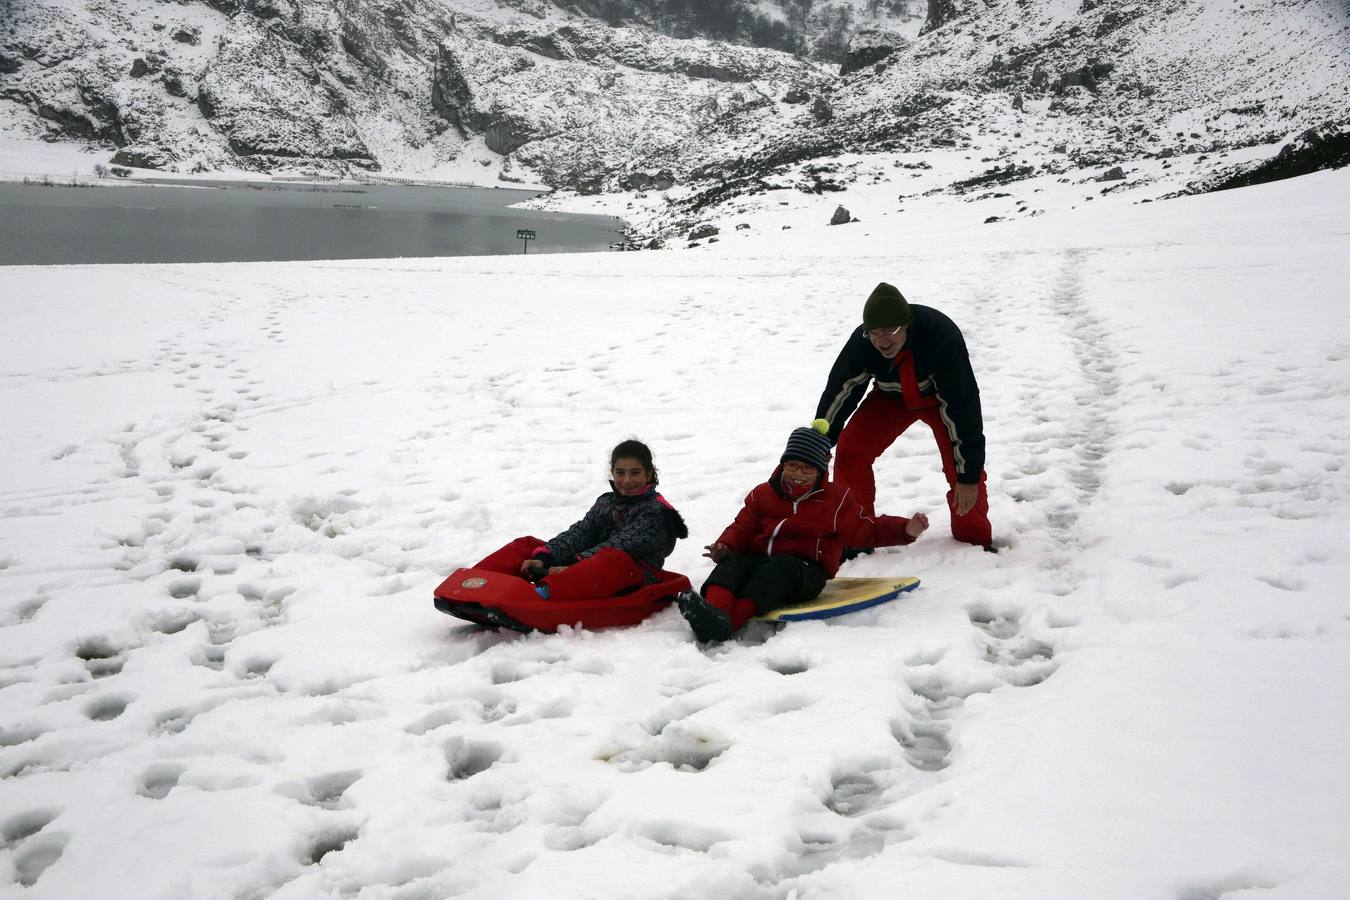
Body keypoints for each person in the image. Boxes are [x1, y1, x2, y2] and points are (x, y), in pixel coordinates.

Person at [676, 421, 928, 642]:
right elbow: (742, 526)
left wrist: (906, 529)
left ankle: (729, 625)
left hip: (805, 571)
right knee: (734, 564)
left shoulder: (836, 500)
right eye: (792, 466)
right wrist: (725, 546)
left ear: (820, 470)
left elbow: (865, 531)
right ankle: (714, 615)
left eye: (807, 469)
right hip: (760, 559)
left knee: (777, 570)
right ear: (783, 464)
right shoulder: (763, 494)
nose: (798, 474)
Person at [815, 282, 992, 548]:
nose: (882, 342)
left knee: (963, 471)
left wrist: (967, 478)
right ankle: (855, 535)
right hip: (890, 399)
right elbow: (841, 390)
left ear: (906, 325)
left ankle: (973, 543)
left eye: (890, 331)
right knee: (851, 450)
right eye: (873, 333)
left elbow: (963, 406)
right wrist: (819, 442)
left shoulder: (940, 336)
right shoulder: (863, 344)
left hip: (939, 401)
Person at [473, 439, 687, 601]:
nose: (627, 480)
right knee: (528, 546)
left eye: (635, 473)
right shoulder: (607, 502)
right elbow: (582, 532)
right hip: (588, 565)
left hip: (633, 575)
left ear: (648, 475)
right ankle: (476, 582)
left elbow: (621, 546)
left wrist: (575, 567)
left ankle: (540, 596)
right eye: (620, 472)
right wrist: (546, 557)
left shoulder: (655, 512)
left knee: (613, 558)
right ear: (612, 473)